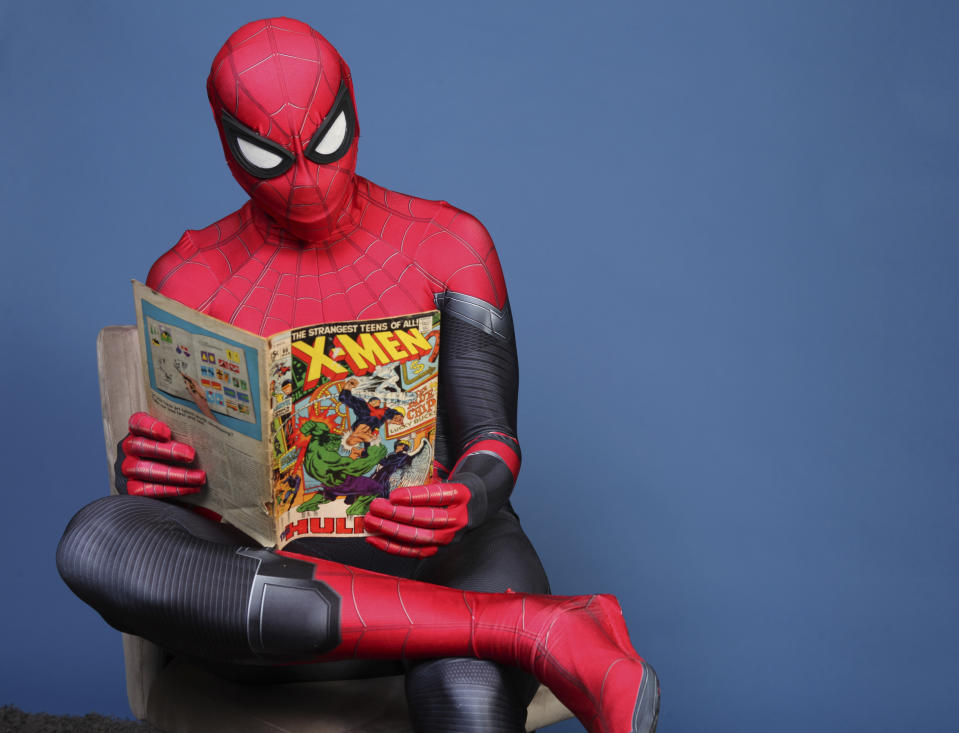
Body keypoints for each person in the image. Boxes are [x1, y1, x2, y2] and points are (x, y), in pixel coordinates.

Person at [57, 17, 659, 733]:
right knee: (97, 539)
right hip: (272, 611)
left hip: (438, 559)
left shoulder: (448, 244)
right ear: (227, 146)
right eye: (269, 157)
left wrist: (467, 494)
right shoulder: (186, 276)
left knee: (463, 695)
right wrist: (153, 473)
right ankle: (524, 626)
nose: (308, 182)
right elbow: (181, 498)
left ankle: (485, 627)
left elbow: (493, 437)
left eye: (325, 144)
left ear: (353, 113)